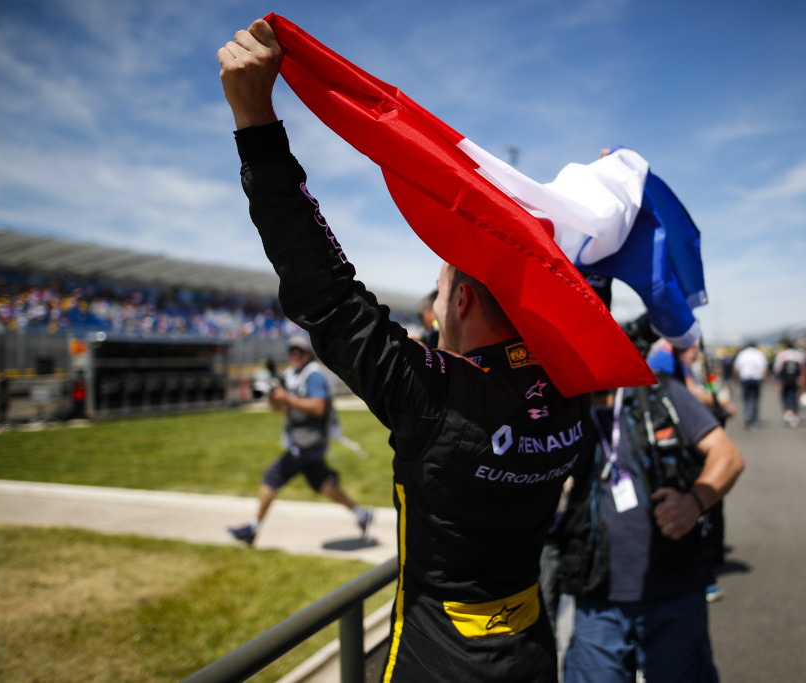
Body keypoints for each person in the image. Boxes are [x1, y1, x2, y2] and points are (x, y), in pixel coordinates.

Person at [218, 20, 591, 682]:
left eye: (444, 287)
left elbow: (327, 296)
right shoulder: (574, 390)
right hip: (532, 655)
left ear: (464, 302)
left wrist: (256, 122)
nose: (435, 304)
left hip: (435, 665)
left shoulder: (441, 396)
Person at [559, 328, 745, 683]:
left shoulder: (659, 392)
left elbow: (728, 456)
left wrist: (694, 502)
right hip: (595, 593)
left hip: (672, 590)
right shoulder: (562, 406)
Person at [228, 335, 373, 546]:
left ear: (309, 353)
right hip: (305, 443)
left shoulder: (313, 375)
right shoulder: (292, 375)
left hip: (308, 443)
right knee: (324, 484)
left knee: (271, 477)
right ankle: (361, 513)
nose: (295, 354)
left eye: (300, 351)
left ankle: (253, 527)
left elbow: (318, 407)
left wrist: (287, 398)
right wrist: (273, 395)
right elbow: (281, 409)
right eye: (291, 351)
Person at [732, 341, 768, 428]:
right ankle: (754, 418)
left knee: (746, 398)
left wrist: (736, 379)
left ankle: (747, 413)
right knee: (755, 399)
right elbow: (764, 368)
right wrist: (766, 380)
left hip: (745, 378)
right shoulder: (759, 354)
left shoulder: (742, 354)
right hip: (757, 378)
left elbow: (736, 368)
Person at [773, 341, 805, 428]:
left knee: (785, 395)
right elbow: (803, 368)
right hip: (796, 379)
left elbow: (777, 369)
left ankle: (788, 411)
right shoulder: (799, 355)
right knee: (795, 395)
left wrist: (777, 380)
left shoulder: (781, 355)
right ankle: (794, 412)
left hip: (785, 379)